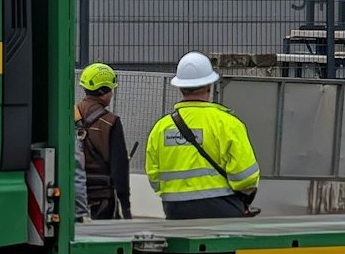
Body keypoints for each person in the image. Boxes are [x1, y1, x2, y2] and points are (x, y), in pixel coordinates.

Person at [144, 52, 260, 219]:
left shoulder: (161, 128)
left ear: (180, 87)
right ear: (209, 85)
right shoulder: (228, 123)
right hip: (222, 208)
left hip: (175, 210)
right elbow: (246, 176)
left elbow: (154, 177)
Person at [76, 62, 132, 220]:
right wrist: (125, 206)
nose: (112, 94)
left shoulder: (70, 115)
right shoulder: (111, 121)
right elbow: (119, 167)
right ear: (103, 91)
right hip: (102, 197)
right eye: (110, 90)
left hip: (73, 195)